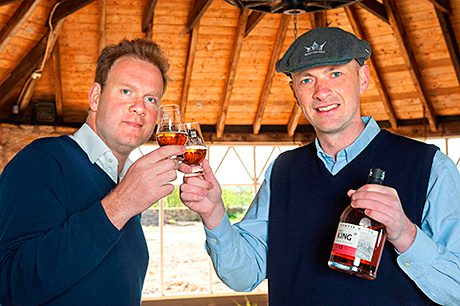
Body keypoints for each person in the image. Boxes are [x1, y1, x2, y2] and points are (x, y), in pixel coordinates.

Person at [179, 27, 460, 305]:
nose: (321, 92)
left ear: (363, 78)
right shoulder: (282, 171)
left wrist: (405, 234)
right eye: (306, 80)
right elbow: (243, 276)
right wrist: (214, 213)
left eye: (335, 74)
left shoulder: (430, 166)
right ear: (295, 92)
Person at [0, 38, 186, 305]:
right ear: (95, 97)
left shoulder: (124, 183)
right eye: (126, 91)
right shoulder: (42, 160)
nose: (140, 107)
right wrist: (119, 206)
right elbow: (9, 285)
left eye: (150, 98)